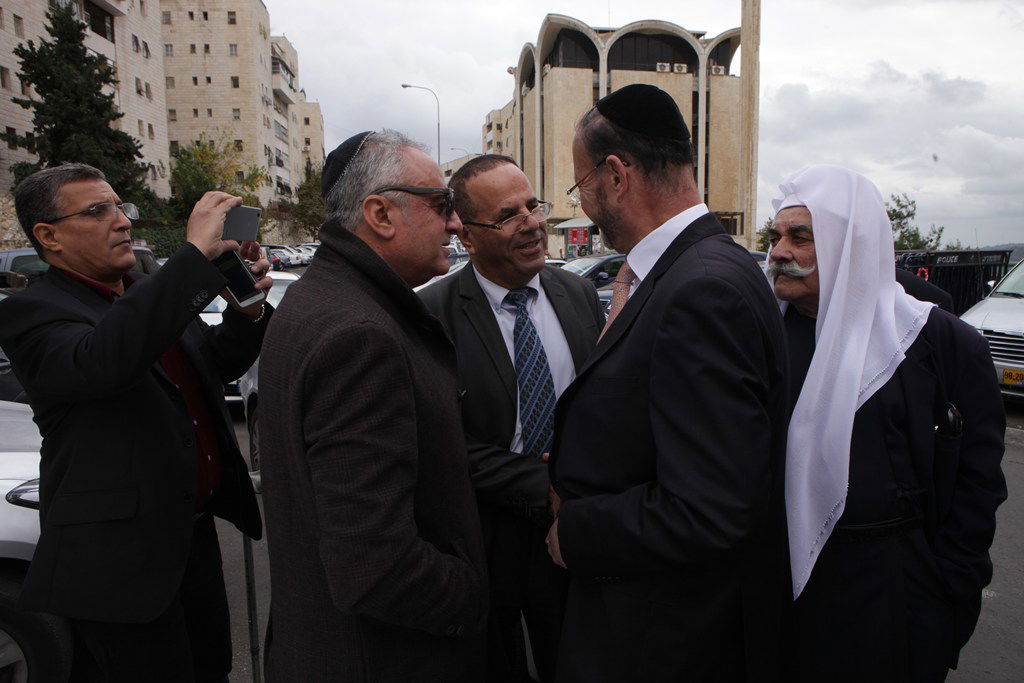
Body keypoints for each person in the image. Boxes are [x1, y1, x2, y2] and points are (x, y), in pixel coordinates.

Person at [546, 84, 791, 681]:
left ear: (617, 175)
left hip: (662, 638)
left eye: (581, 188)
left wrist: (575, 531)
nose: (583, 207)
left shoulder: (700, 289)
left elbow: (709, 508)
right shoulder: (698, 269)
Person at [0, 163, 270, 681]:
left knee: (210, 669)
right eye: (98, 211)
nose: (121, 221)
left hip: (189, 538)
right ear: (48, 236)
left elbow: (211, 368)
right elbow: (105, 361)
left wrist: (247, 311)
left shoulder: (142, 294)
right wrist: (190, 261)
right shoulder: (33, 312)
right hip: (116, 563)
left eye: (121, 207)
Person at [258, 130, 487, 681]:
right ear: (381, 214)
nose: (455, 224)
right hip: (383, 656)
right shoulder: (359, 334)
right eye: (441, 206)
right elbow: (373, 565)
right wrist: (476, 595)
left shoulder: (328, 299)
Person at [766, 164, 1007, 681]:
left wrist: (948, 598)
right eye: (776, 236)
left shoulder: (940, 343)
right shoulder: (760, 337)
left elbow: (977, 485)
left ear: (849, 243)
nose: (779, 252)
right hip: (784, 588)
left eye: (800, 237)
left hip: (893, 593)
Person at [419, 155, 604, 681]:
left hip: (572, 527)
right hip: (483, 537)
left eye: (532, 205)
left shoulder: (578, 293)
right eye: (507, 216)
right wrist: (542, 480)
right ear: (467, 236)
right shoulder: (432, 313)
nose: (531, 222)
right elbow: (440, 442)